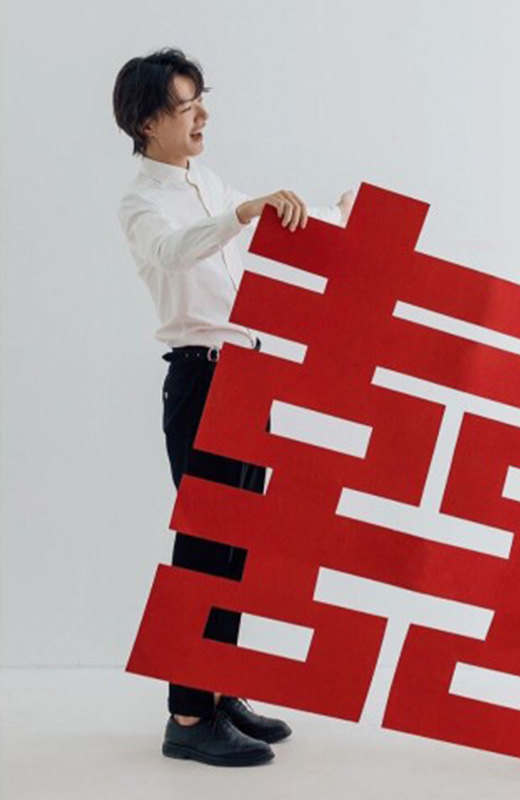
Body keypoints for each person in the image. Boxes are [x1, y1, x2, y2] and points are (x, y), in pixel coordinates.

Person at [113, 47, 354, 767]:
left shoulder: (209, 182)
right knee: (203, 548)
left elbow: (271, 224)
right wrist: (241, 213)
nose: (202, 117)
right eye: (187, 107)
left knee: (239, 547)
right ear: (148, 121)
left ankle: (218, 690)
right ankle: (187, 715)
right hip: (201, 378)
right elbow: (173, 251)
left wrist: (336, 214)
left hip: (249, 376)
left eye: (200, 102)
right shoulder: (142, 202)